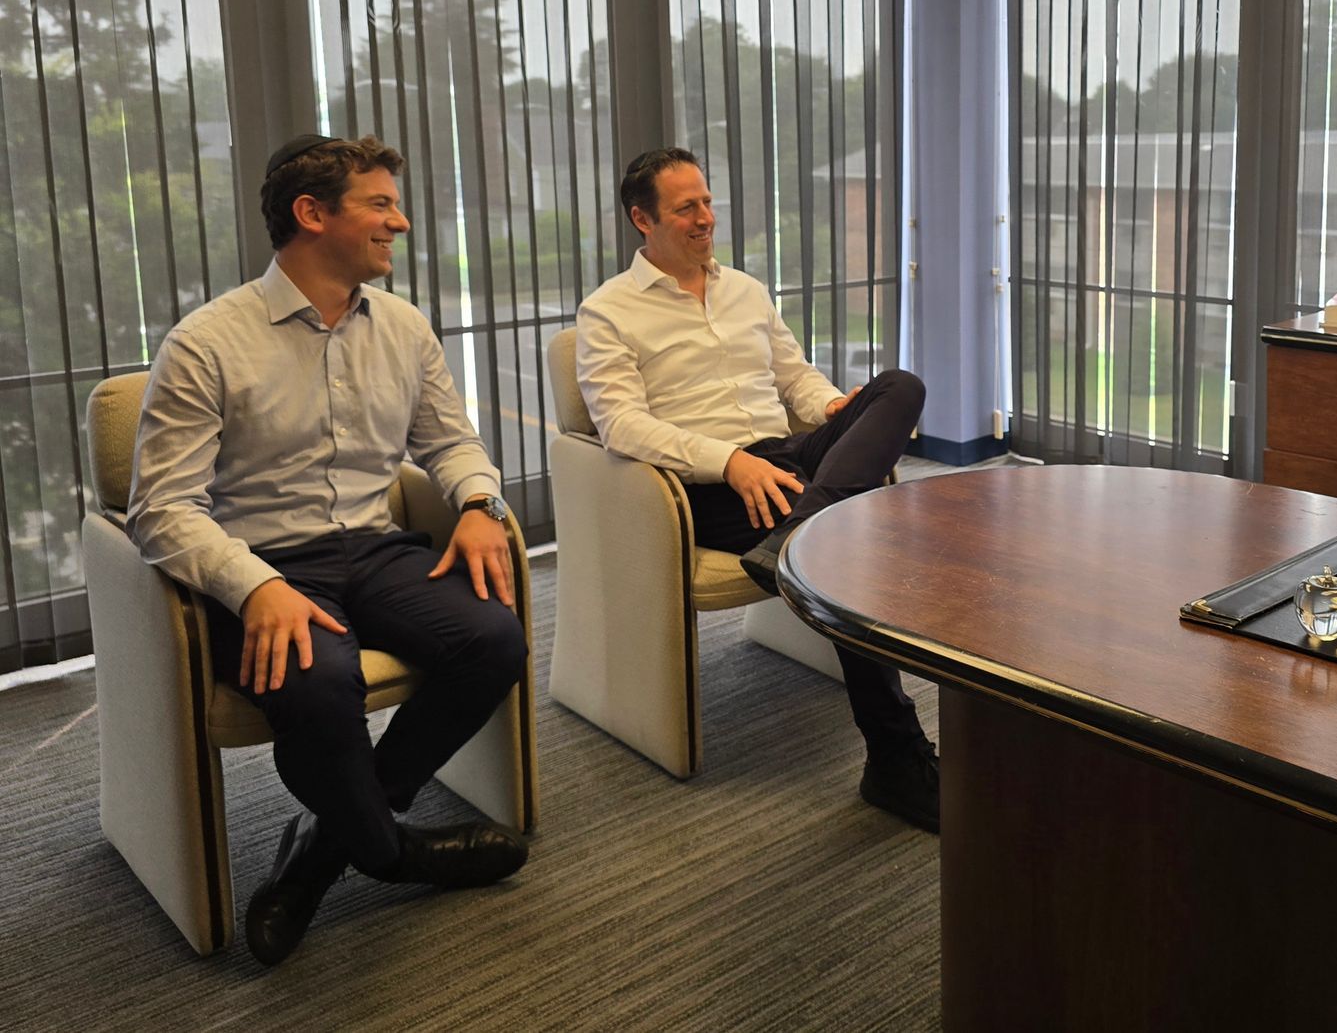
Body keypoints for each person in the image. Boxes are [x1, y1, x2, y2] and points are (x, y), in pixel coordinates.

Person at [127, 135, 530, 967]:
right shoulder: (206, 343)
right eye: (380, 204)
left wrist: (482, 502)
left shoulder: (406, 328)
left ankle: (325, 848)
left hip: (374, 545)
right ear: (312, 215)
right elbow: (160, 508)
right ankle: (392, 853)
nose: (402, 221)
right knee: (319, 684)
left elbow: (451, 443)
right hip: (265, 561)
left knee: (494, 640)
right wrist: (254, 585)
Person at [574, 148, 937, 831]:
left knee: (901, 387)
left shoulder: (745, 289)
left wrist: (835, 409)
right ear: (642, 219)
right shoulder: (607, 313)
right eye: (687, 208)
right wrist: (729, 460)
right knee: (854, 552)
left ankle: (802, 529)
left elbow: (796, 380)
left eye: (707, 202)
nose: (706, 217)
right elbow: (621, 427)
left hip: (791, 459)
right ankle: (895, 756)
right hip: (704, 485)